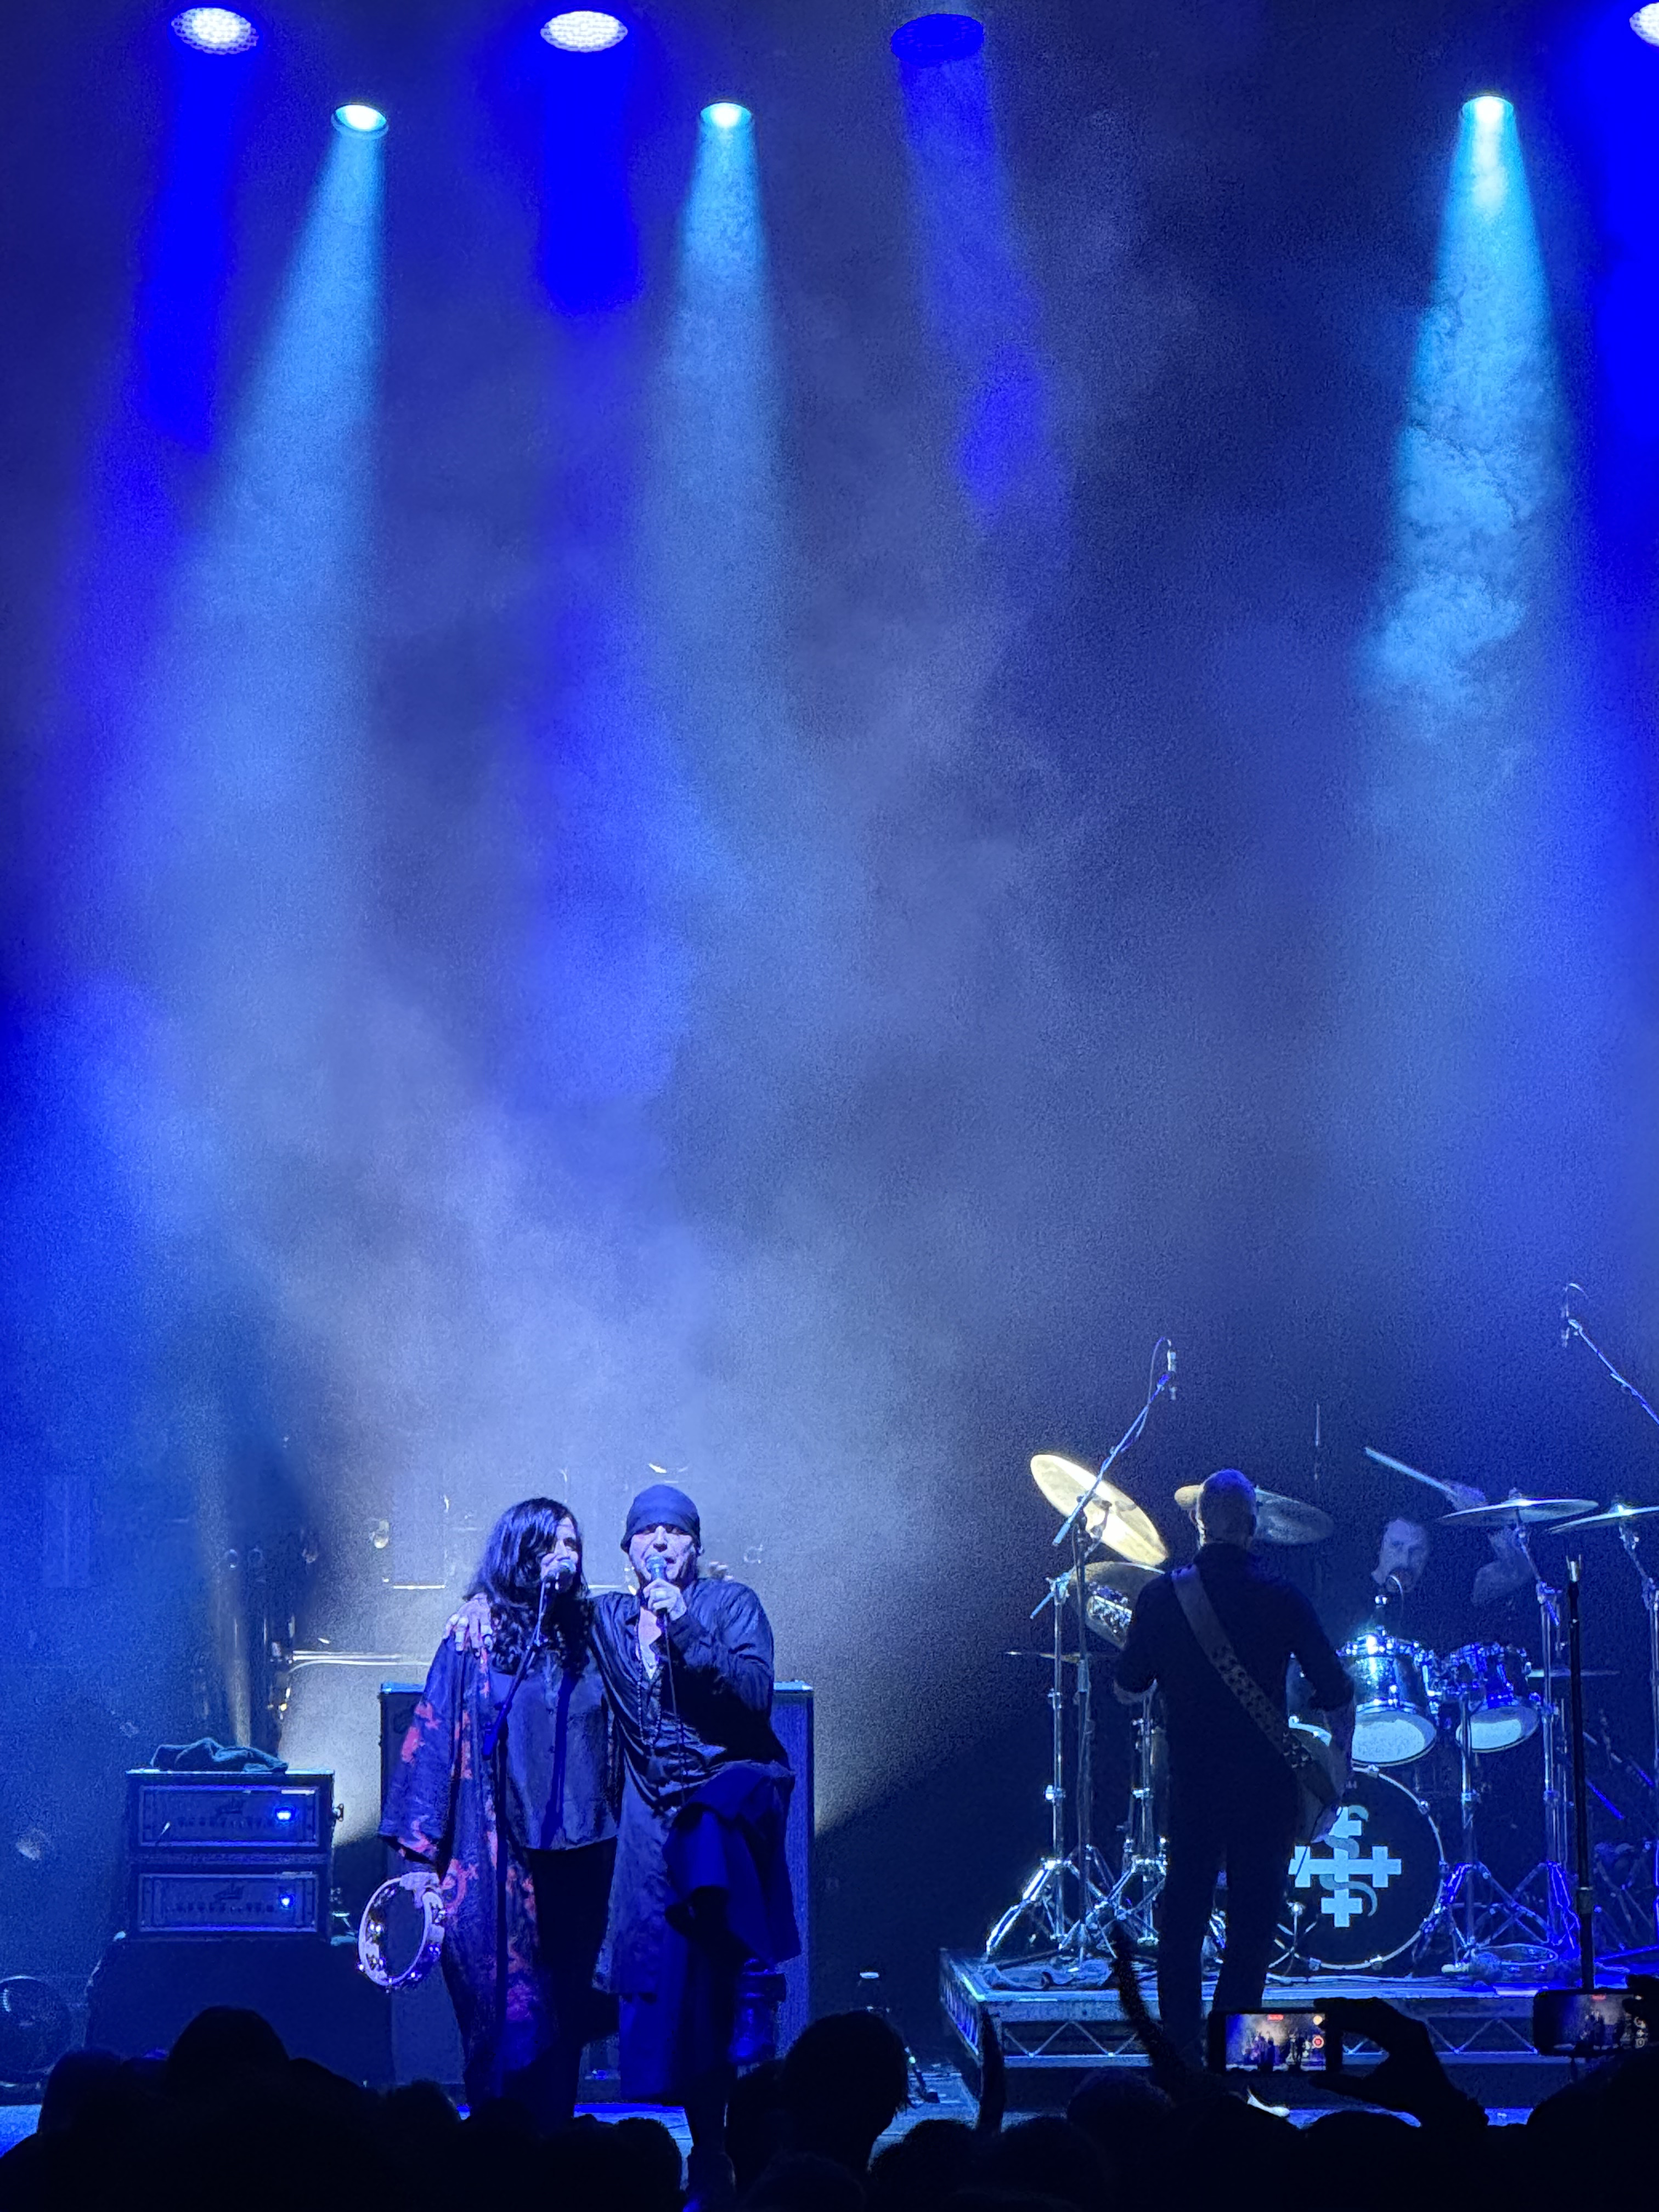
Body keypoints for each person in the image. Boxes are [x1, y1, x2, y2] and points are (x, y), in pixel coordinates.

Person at [452, 1482, 798, 2207]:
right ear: (629, 1549)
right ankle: (610, 2148)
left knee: (718, 1981)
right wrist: (480, 1601)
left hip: (718, 1806)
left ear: (696, 1547)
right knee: (658, 1985)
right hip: (648, 1821)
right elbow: (542, 1618)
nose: (662, 1545)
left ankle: (715, 2153)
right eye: (648, 1534)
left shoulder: (731, 1607)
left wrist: (685, 1630)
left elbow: (755, 1695)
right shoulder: (607, 1618)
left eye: (676, 1533)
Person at [382, 1498, 618, 2128]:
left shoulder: (593, 1635)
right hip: (495, 1862)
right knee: (501, 2013)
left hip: (581, 1856)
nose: (565, 1558)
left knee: (566, 2013)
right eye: (550, 1546)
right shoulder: (473, 1640)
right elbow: (431, 1741)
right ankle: (499, 2155)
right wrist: (419, 1858)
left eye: (573, 1545)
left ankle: (556, 2149)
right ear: (519, 1555)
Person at [1114, 1469, 1354, 2063]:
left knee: (1182, 1927)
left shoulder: (1161, 1596)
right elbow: (1339, 1695)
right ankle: (1230, 2066)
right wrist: (1337, 1780)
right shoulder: (1283, 1596)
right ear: (1253, 1527)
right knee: (1251, 1933)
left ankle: (1178, 2058)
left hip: (1193, 1787)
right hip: (1264, 1790)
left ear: (1197, 1524)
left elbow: (1127, 1689)